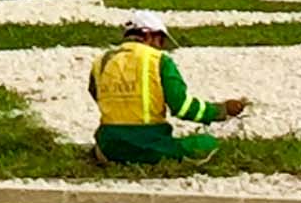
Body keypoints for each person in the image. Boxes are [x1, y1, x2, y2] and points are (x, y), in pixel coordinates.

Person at [87, 13, 244, 167]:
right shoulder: (159, 60)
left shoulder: (100, 61)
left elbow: (96, 94)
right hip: (149, 141)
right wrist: (220, 110)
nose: (160, 46)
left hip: (108, 145)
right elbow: (182, 107)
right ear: (149, 36)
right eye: (160, 40)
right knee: (205, 143)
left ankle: (103, 156)